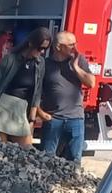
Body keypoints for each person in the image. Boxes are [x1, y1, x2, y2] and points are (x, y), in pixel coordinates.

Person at [0, 27, 49, 147]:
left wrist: (32, 119)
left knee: (26, 150)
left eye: (45, 49)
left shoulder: (40, 63)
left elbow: (37, 92)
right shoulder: (10, 59)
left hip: (21, 108)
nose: (42, 51)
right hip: (2, 106)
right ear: (31, 43)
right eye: (40, 48)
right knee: (0, 148)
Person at [39, 31, 95, 161]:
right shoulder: (45, 64)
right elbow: (36, 91)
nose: (75, 48)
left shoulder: (79, 61)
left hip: (75, 119)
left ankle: (71, 181)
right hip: (53, 119)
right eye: (71, 45)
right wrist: (40, 113)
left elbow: (91, 83)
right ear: (59, 47)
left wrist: (75, 67)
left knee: (74, 160)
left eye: (75, 44)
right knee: (46, 160)